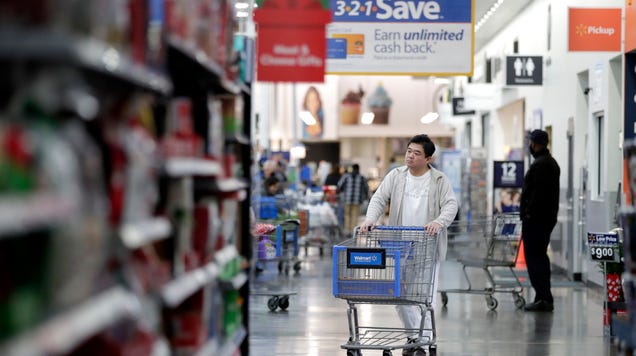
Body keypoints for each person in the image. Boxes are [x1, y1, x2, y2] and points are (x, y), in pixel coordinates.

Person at [359, 134, 458, 355]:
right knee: (400, 296)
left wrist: (438, 222)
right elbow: (379, 198)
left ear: (429, 158)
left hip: (428, 246)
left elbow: (450, 206)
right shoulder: (396, 176)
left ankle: (423, 341)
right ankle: (415, 336)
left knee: (424, 297)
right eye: (409, 151)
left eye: (417, 153)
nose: (410, 156)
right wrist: (370, 218)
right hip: (400, 246)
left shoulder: (440, 180)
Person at [520, 129, 560, 312]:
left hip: (537, 221)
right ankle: (542, 296)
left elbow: (537, 196)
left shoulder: (542, 165)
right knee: (540, 258)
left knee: (536, 259)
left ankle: (543, 298)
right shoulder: (549, 163)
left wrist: (528, 213)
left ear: (535, 144)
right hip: (544, 220)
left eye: (531, 143)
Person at [337, 163, 369, 236]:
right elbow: (366, 188)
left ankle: (347, 230)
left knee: (347, 215)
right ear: (358, 169)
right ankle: (353, 231)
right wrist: (366, 197)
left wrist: (342, 192)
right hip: (357, 200)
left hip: (347, 199)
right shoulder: (362, 177)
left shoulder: (346, 177)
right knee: (355, 215)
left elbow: (339, 186)